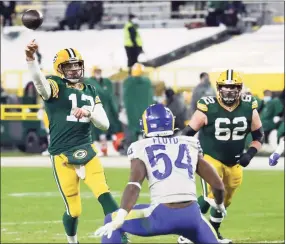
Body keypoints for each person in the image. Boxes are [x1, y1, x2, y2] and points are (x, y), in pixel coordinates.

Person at [25, 40, 128, 244]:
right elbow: (40, 84)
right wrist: (31, 60)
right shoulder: (55, 85)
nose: (73, 69)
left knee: (103, 193)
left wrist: (89, 113)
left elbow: (105, 124)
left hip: (86, 150)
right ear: (59, 68)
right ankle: (72, 241)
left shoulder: (90, 89)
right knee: (74, 210)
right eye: (68, 66)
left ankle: (121, 236)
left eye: (76, 64)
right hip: (62, 155)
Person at [95, 104, 226, 243]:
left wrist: (121, 216)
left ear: (146, 125)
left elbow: (134, 185)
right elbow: (218, 185)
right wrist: (218, 205)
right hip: (192, 216)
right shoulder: (190, 143)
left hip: (163, 215)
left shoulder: (140, 147)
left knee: (111, 219)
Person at [180, 69, 264, 243]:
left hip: (235, 162)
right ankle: (187, 232)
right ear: (219, 88)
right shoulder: (208, 105)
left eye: (233, 88)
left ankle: (213, 232)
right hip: (209, 157)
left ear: (240, 89)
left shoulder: (249, 106)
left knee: (225, 200)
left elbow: (258, 137)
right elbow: (188, 132)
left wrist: (250, 153)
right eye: (226, 87)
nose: (229, 91)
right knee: (212, 194)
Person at [85, 66, 121, 156]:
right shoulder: (89, 81)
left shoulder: (106, 82)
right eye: (96, 71)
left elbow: (110, 95)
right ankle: (96, 148)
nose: (98, 72)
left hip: (106, 108)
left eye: (99, 70)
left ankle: (107, 148)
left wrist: (115, 109)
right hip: (94, 109)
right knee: (96, 130)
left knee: (108, 130)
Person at [122, 63, 153, 152]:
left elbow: (125, 98)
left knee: (132, 133)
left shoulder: (128, 82)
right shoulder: (147, 82)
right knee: (145, 132)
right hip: (145, 113)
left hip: (131, 113)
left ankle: (133, 150)